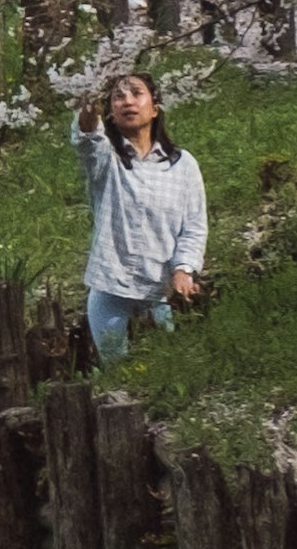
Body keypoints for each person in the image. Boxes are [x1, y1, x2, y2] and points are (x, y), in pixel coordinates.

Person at [79, 69, 207, 367]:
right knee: (117, 374)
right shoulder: (106, 161)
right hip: (112, 286)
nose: (127, 102)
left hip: (158, 290)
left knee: (164, 370)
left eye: (136, 93)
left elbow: (194, 226)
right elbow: (87, 141)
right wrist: (86, 105)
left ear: (155, 107)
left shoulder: (183, 165)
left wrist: (183, 269)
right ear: (109, 113)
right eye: (118, 97)